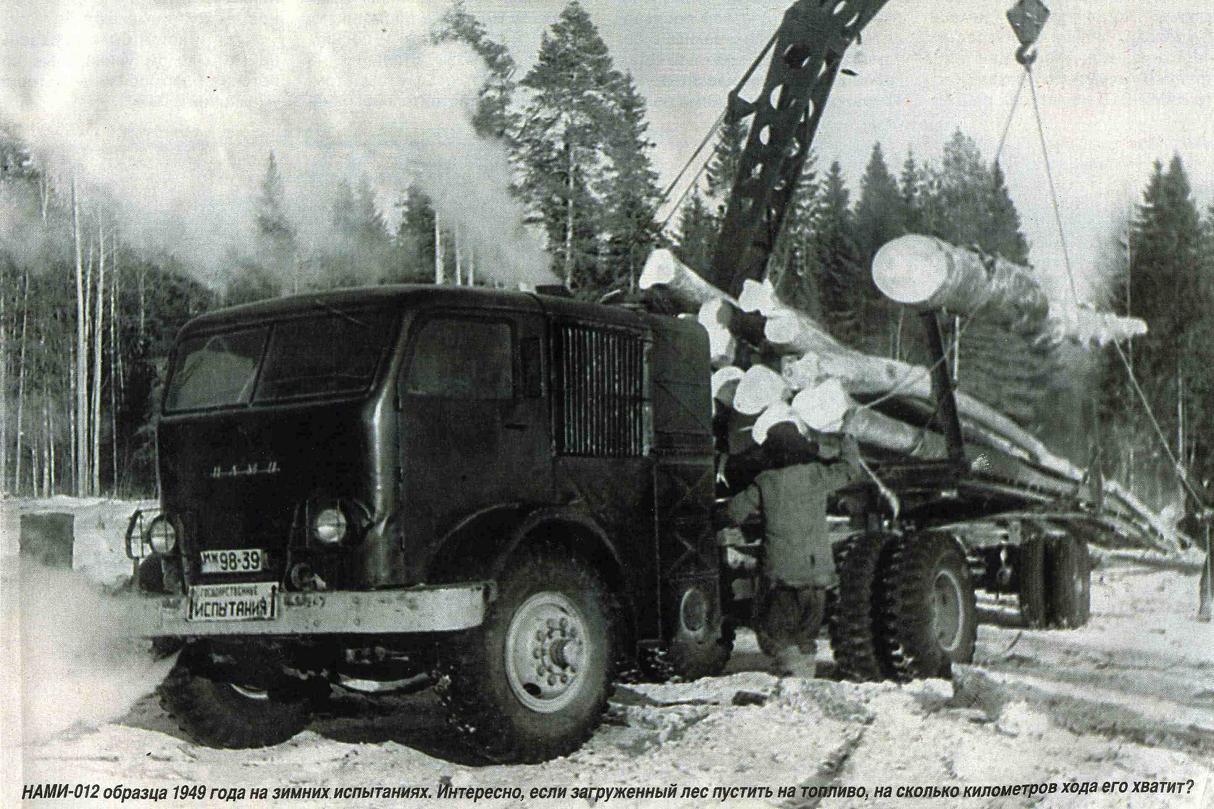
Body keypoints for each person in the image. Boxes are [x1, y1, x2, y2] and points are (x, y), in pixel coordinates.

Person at [724, 424, 864, 676]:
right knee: (805, 636)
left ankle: (791, 683)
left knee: (775, 635)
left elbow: (733, 513)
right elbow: (850, 470)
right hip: (818, 574)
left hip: (782, 577)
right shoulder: (817, 474)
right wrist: (848, 441)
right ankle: (804, 684)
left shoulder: (765, 482)